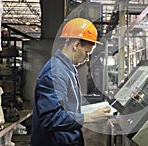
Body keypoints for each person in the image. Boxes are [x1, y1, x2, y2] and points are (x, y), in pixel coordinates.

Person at [31, 18, 112, 146]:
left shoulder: (67, 69)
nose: (86, 59)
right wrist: (89, 117)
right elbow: (51, 118)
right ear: (76, 45)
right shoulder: (56, 72)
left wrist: (89, 112)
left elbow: (67, 108)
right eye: (86, 53)